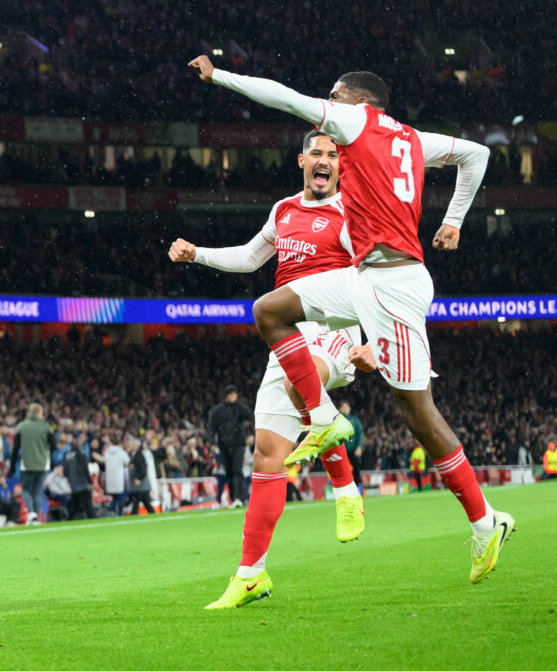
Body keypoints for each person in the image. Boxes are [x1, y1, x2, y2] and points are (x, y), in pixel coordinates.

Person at [188, 56, 513, 583]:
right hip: (363, 277)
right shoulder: (410, 138)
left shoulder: (355, 121)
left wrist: (218, 77)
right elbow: (476, 155)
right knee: (269, 310)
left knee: (418, 415)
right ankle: (325, 422)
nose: (328, 104)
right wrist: (452, 222)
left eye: (334, 95)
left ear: (358, 101)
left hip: (394, 286)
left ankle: (484, 521)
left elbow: (286, 97)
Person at [171, 130, 372, 607]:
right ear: (302, 160)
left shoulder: (351, 212)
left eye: (333, 155)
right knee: (266, 455)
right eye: (316, 153)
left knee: (302, 383)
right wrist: (197, 253)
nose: (324, 161)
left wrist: (376, 343)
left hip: (333, 327)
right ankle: (251, 574)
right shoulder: (283, 210)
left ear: (341, 165)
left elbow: (376, 278)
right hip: (288, 333)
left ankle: (345, 487)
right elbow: (249, 257)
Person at [205, 385, 253, 508]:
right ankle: (234, 499)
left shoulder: (238, 407)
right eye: (231, 394)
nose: (233, 396)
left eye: (235, 394)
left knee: (237, 470)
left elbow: (249, 415)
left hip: (238, 445)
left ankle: (239, 498)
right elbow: (211, 428)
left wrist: (237, 404)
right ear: (226, 396)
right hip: (224, 446)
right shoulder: (217, 411)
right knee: (229, 473)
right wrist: (212, 444)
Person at [10, 403, 56, 525]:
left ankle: (31, 513)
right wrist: (47, 454)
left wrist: (12, 466)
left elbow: (15, 448)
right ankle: (36, 516)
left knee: (26, 489)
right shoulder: (46, 427)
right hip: (42, 464)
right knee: (36, 491)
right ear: (40, 413)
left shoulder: (22, 426)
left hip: (27, 463)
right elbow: (54, 445)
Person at [63, 442, 95, 519]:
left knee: (75, 504)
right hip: (83, 483)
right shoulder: (81, 455)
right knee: (87, 504)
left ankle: (70, 518)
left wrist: (70, 479)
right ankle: (92, 517)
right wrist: (90, 482)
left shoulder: (67, 456)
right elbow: (85, 469)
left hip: (74, 484)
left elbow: (66, 472)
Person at [339, 400, 364, 492]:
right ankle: (343, 488)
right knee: (342, 469)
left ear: (349, 408)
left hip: (353, 449)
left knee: (356, 468)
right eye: (343, 407)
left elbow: (359, 434)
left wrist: (359, 447)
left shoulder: (355, 420)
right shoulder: (338, 420)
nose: (345, 409)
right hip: (342, 450)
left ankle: (355, 487)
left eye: (347, 407)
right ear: (340, 409)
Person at [127, 437, 155, 515]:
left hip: (140, 485)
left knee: (137, 503)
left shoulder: (139, 455)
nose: (129, 446)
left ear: (135, 445)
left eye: (131, 444)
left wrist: (138, 478)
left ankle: (134, 515)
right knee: (145, 502)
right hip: (140, 486)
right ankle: (152, 514)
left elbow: (143, 469)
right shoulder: (135, 454)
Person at [102, 434, 130, 515]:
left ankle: (112, 510)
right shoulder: (121, 452)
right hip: (119, 477)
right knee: (121, 496)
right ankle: (119, 512)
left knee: (115, 496)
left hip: (110, 478)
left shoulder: (107, 452)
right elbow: (127, 462)